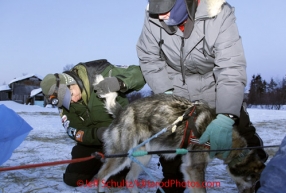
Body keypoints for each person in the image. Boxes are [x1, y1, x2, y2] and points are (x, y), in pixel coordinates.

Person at [136, 0, 268, 192]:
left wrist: (225, 117)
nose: (160, 15)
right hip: (176, 90)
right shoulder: (153, 17)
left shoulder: (219, 14)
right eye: (156, 9)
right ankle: (173, 184)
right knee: (171, 148)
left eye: (166, 10)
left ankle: (257, 183)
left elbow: (230, 68)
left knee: (243, 138)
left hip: (216, 87)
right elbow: (148, 57)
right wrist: (166, 94)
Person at [40, 59, 146, 187]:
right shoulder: (64, 103)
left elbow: (141, 72)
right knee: (73, 179)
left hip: (120, 139)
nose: (72, 100)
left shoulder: (101, 72)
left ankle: (121, 164)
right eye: (68, 100)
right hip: (95, 140)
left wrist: (121, 82)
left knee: (116, 182)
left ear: (71, 82)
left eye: (71, 94)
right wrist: (96, 134)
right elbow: (74, 130)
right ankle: (101, 161)